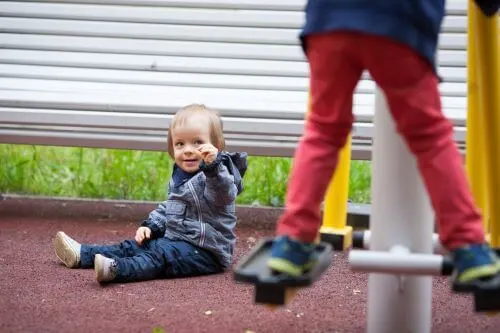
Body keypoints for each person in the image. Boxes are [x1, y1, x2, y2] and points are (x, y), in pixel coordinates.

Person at [267, 0, 500, 291]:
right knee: (431, 139)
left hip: (329, 21)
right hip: (399, 22)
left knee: (322, 132)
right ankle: (468, 245)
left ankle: (293, 241)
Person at [53, 104, 247, 283]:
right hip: (176, 240)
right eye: (180, 144)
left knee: (158, 256)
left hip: (206, 251)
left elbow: (223, 195)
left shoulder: (217, 175)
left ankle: (116, 270)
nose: (188, 150)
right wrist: (152, 225)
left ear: (216, 147)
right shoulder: (181, 176)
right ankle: (82, 254)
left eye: (197, 143)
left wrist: (213, 167)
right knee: (133, 246)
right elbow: (170, 206)